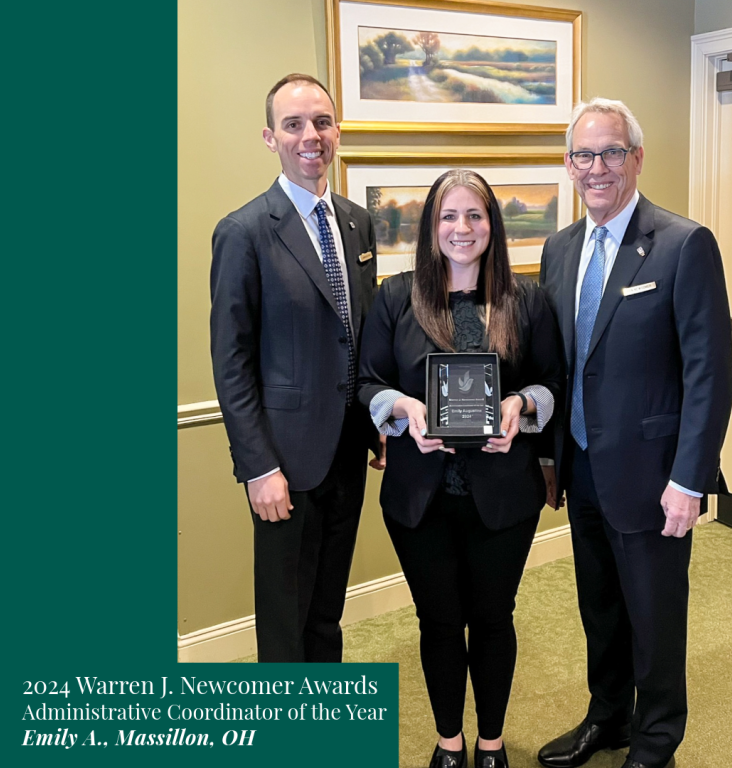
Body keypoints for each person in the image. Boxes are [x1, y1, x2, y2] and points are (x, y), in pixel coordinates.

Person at [536, 98, 732, 768]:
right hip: (584, 467)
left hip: (655, 476)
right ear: (569, 165)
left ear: (637, 158)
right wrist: (548, 459)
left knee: (655, 617)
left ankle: (655, 742)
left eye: (612, 152)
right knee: (601, 609)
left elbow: (710, 375)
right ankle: (608, 719)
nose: (598, 167)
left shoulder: (683, 244)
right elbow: (559, 365)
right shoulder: (560, 249)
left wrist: (690, 480)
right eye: (584, 155)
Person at [358, 169, 562, 768]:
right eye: (449, 216)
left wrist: (520, 407)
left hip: (503, 497)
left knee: (494, 619)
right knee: (439, 622)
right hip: (421, 497)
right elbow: (367, 382)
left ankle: (491, 745)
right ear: (431, 228)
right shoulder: (397, 297)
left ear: (492, 225)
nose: (462, 228)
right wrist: (401, 408)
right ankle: (450, 744)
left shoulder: (528, 299)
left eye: (475, 216)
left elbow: (553, 382)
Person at [210, 73, 378, 663]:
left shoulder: (358, 223)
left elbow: (358, 335)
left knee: (327, 612)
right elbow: (231, 362)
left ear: (338, 131)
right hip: (283, 463)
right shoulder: (244, 232)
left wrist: (373, 423)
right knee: (285, 624)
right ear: (270, 137)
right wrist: (258, 468)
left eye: (322, 122)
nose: (311, 135)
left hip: (347, 454)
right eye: (294, 124)